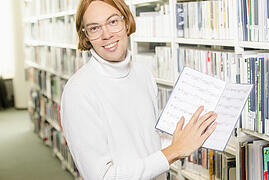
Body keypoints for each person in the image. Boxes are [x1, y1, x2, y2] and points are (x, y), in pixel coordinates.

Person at [60, 0, 218, 179]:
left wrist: (191, 135)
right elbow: (103, 177)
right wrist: (174, 151)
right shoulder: (78, 92)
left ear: (126, 22)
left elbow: (148, 145)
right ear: (85, 35)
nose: (107, 34)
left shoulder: (143, 74)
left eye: (113, 22)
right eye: (94, 28)